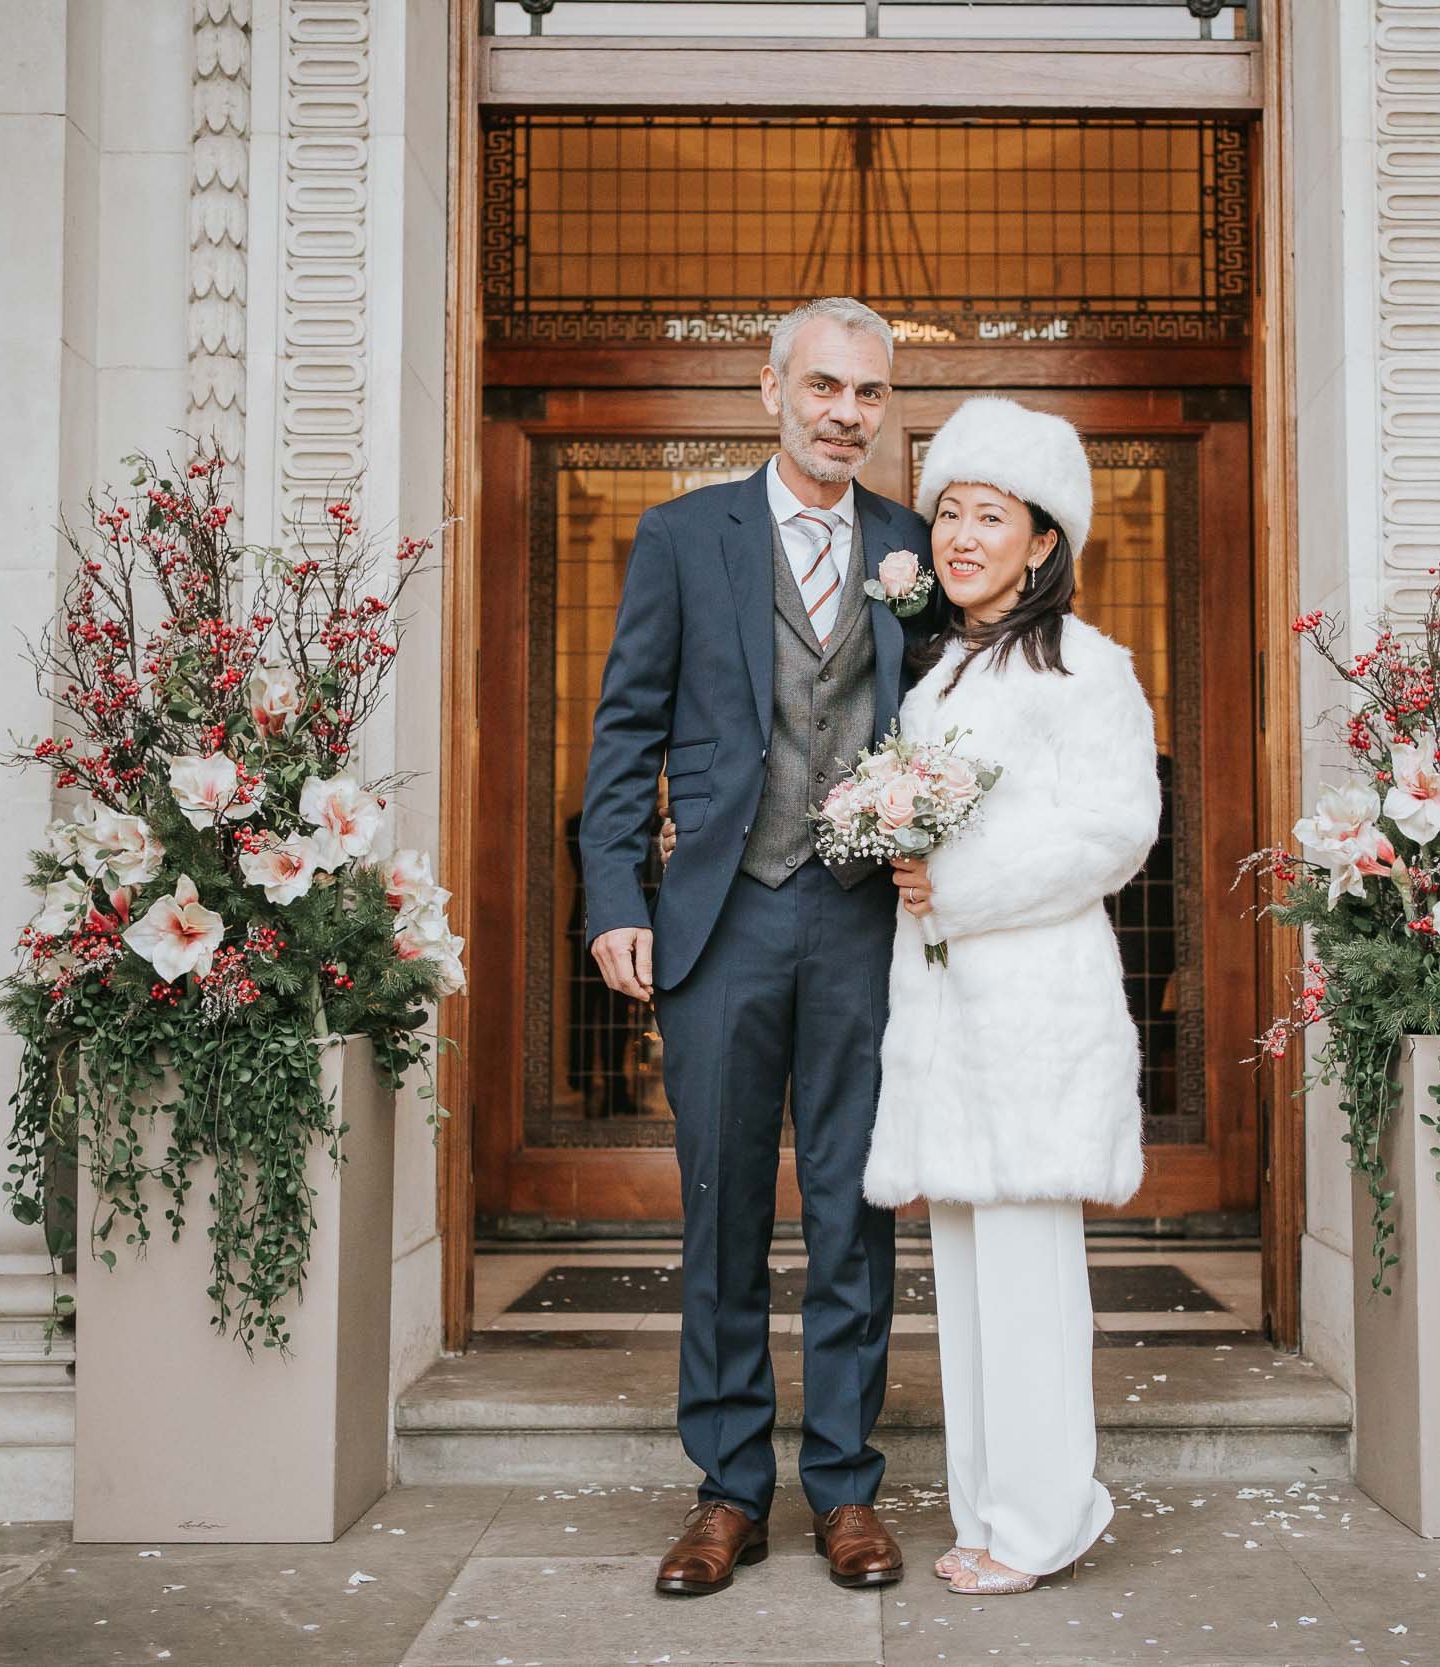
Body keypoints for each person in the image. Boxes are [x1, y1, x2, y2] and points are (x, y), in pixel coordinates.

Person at [577, 297, 936, 1597]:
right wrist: (616, 891)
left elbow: (957, 719)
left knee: (854, 1210)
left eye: (870, 393)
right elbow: (627, 730)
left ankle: (844, 1486)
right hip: (721, 919)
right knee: (723, 1207)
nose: (847, 411)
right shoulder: (683, 537)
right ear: (769, 386)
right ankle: (729, 1485)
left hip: (862, 923)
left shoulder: (915, 546)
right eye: (825, 385)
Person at [863, 396, 1163, 1596]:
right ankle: (993, 1508)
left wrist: (958, 885)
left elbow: (1115, 828)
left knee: (1031, 1286)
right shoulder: (937, 669)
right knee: (972, 1286)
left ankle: (1046, 1518)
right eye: (948, 510)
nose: (961, 534)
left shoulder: (1089, 666)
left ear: (1043, 541)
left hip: (1034, 1008)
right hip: (946, 1014)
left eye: (991, 514)